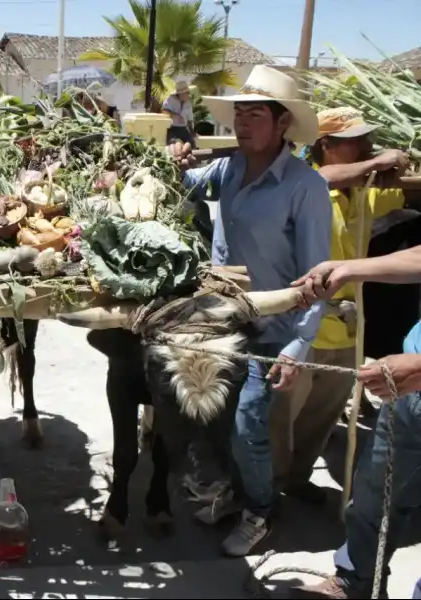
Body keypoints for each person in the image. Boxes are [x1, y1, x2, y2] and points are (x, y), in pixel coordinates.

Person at [168, 65, 332, 557]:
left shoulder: (306, 187)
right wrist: (174, 162)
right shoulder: (228, 168)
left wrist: (299, 345)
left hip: (273, 329)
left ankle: (261, 511)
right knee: (212, 416)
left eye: (255, 115)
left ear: (283, 124)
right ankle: (233, 496)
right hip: (223, 321)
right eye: (239, 115)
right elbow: (186, 183)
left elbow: (317, 276)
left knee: (246, 426)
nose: (242, 125)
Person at [270, 107, 418, 506]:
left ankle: (297, 480)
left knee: (320, 416)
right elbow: (322, 176)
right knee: (278, 419)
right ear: (326, 145)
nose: (369, 146)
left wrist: (397, 168)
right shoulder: (306, 186)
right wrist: (375, 162)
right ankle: (266, 492)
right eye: (358, 140)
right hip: (302, 326)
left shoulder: (368, 191)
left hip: (349, 327)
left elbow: (409, 186)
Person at [288, 242, 421, 599]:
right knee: (373, 494)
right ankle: (355, 580)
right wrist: (349, 268)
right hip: (409, 394)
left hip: (415, 374)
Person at [163, 80, 195, 146]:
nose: (189, 94)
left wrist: (192, 132)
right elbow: (165, 111)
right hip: (172, 128)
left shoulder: (188, 103)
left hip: (183, 129)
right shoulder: (170, 99)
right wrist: (176, 115)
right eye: (187, 92)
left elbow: (190, 120)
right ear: (181, 93)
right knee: (174, 143)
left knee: (192, 144)